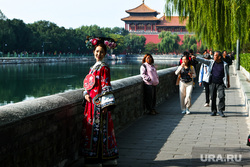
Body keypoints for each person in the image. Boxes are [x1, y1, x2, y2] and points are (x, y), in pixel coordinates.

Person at [81, 37, 119, 166]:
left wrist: (105, 105)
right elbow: (88, 84)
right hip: (91, 103)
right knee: (92, 130)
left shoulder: (104, 68)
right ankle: (93, 157)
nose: (99, 54)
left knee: (100, 130)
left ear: (105, 54)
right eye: (97, 51)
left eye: (101, 52)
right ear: (93, 52)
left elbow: (106, 86)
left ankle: (99, 158)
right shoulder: (93, 68)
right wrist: (86, 93)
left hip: (99, 105)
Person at [194, 51, 230, 117]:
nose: (214, 56)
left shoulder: (224, 64)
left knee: (221, 96)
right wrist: (196, 58)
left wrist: (228, 83)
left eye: (215, 55)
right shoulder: (211, 62)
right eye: (214, 55)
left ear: (219, 57)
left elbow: (227, 74)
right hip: (212, 82)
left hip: (221, 83)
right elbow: (203, 60)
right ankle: (214, 111)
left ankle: (221, 110)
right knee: (213, 97)